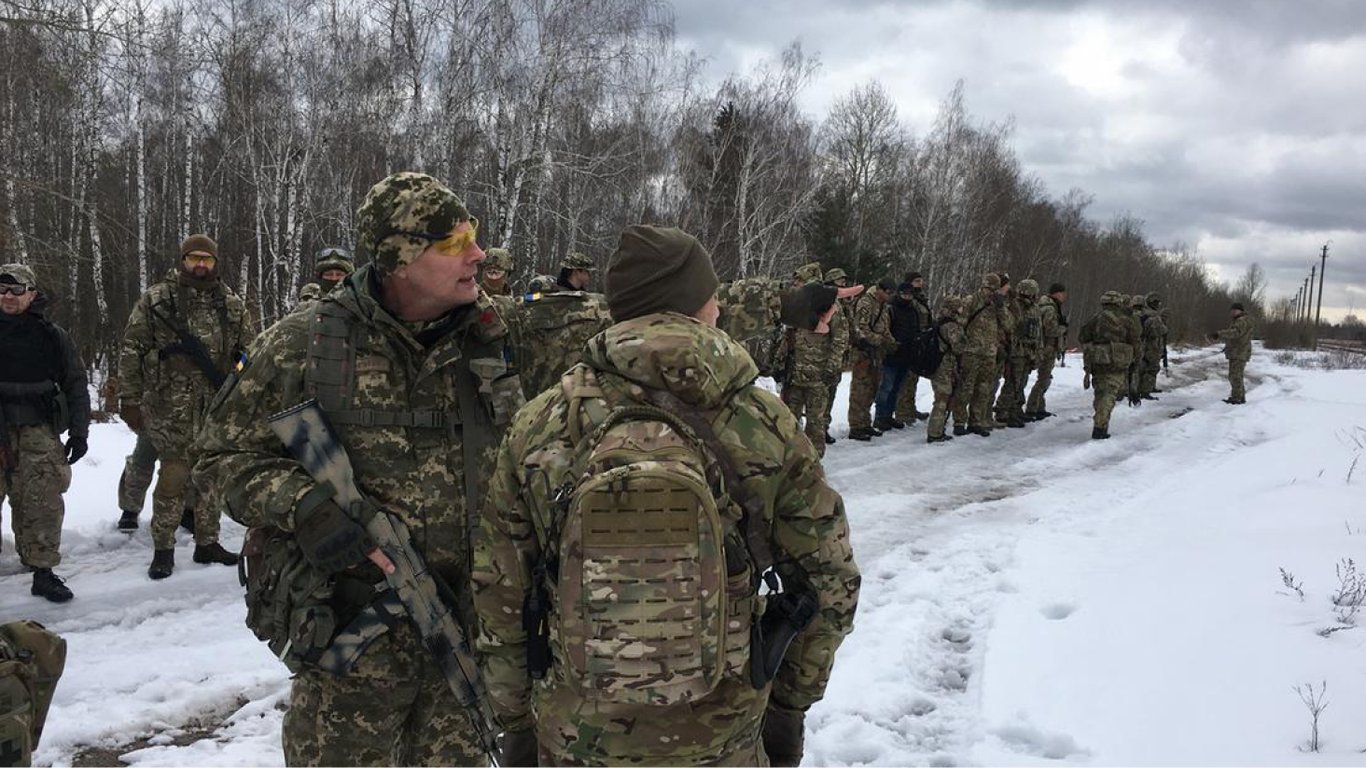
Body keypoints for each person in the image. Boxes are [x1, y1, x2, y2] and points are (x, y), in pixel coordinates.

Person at [472, 224, 860, 766]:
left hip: (577, 736)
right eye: (713, 296)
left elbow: (500, 592)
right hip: (723, 736)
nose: (719, 308)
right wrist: (789, 706)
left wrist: (515, 721)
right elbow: (829, 581)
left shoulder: (540, 423)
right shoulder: (763, 421)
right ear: (695, 302)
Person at [193, 172, 520, 766]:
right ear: (399, 259)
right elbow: (218, 458)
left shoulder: (499, 339)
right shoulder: (304, 344)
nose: (478, 254)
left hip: (470, 644)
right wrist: (306, 508)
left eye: (473, 234)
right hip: (352, 650)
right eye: (454, 243)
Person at [119, 234, 252, 579]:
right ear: (183, 261)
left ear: (215, 263)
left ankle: (207, 543)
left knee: (211, 480)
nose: (200, 264)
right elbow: (132, 349)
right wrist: (129, 399)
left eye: (206, 259)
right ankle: (163, 549)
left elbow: (249, 353)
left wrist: (236, 380)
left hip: (215, 407)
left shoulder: (231, 305)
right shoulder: (157, 300)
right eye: (194, 258)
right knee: (173, 478)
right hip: (169, 408)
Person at [0, 263, 88, 603]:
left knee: (43, 500)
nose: (8, 296)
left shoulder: (52, 336)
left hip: (38, 430)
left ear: (32, 294)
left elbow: (75, 383)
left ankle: (42, 571)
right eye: (2, 289)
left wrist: (79, 432)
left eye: (16, 289)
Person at [781, 263, 847, 457]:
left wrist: (832, 366)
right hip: (794, 374)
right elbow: (787, 338)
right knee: (788, 420)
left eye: (799, 281)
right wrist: (779, 363)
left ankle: (814, 460)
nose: (795, 284)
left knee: (815, 422)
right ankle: (790, 458)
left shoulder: (830, 306)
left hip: (818, 375)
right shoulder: (794, 306)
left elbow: (840, 339)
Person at [1079, 290, 1142, 439]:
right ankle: (1100, 427)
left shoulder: (1095, 318)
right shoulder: (1127, 320)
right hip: (1117, 362)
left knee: (1100, 392)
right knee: (1109, 393)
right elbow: (1136, 342)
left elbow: (1082, 337)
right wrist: (1136, 360)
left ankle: (1100, 420)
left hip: (1098, 361)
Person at [846, 278, 895, 440]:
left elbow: (884, 327)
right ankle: (856, 426)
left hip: (876, 353)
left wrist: (891, 342)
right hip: (863, 352)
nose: (889, 296)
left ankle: (865, 422)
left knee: (872, 388)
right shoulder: (866, 303)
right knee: (860, 389)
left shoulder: (882, 306)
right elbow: (860, 328)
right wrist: (878, 339)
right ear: (879, 290)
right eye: (887, 292)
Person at [960, 273, 1008, 437]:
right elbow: (960, 323)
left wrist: (1001, 307)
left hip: (989, 353)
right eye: (989, 289)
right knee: (966, 388)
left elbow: (1008, 325)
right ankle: (959, 421)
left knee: (983, 389)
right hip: (971, 352)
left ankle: (976, 421)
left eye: (994, 290)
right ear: (983, 287)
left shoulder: (998, 305)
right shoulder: (971, 301)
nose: (991, 293)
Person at [994, 278, 1042, 428]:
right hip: (1016, 350)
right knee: (1012, 382)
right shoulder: (1014, 306)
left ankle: (1015, 409)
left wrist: (1037, 350)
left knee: (1021, 382)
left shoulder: (1034, 308)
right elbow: (1009, 326)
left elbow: (1038, 331)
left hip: (1028, 350)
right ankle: (1003, 411)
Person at [873, 281, 919, 432]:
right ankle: (880, 416)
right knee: (886, 387)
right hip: (891, 355)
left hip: (906, 355)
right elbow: (885, 330)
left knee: (896, 388)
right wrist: (891, 346)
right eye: (904, 294)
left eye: (910, 295)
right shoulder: (890, 309)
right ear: (899, 294)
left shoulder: (913, 310)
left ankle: (888, 415)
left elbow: (915, 330)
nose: (907, 297)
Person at [893, 271, 932, 424]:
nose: (920, 284)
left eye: (921, 280)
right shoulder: (909, 300)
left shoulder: (920, 299)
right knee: (906, 379)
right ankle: (902, 411)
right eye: (916, 281)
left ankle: (909, 407)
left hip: (920, 342)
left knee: (913, 378)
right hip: (909, 342)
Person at [926, 295, 966, 444]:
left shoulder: (938, 321)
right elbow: (958, 347)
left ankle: (937, 430)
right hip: (945, 366)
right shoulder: (951, 326)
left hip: (938, 365)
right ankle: (935, 432)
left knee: (942, 398)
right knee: (942, 399)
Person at [1025, 282, 1066, 420]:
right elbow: (1050, 329)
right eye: (1062, 293)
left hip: (1044, 346)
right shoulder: (1050, 309)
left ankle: (1039, 407)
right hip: (1047, 347)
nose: (1064, 296)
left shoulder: (1044, 305)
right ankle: (1032, 407)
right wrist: (1063, 329)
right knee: (1043, 379)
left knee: (1044, 377)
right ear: (1057, 293)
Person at [1211, 302, 1254, 404]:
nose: (1233, 312)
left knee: (1235, 376)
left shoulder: (1241, 321)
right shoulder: (1243, 320)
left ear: (1241, 311)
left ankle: (1237, 398)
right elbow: (1238, 338)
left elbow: (1235, 333)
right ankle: (1240, 397)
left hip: (1239, 352)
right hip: (1238, 351)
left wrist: (1219, 333)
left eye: (1236, 310)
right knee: (1237, 375)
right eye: (1232, 310)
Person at [1137, 292, 1166, 399]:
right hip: (1151, 346)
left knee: (1143, 367)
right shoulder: (1153, 316)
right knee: (1152, 368)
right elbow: (1160, 330)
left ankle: (1143, 388)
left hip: (1143, 345)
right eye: (1157, 303)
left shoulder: (1142, 314)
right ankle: (1145, 391)